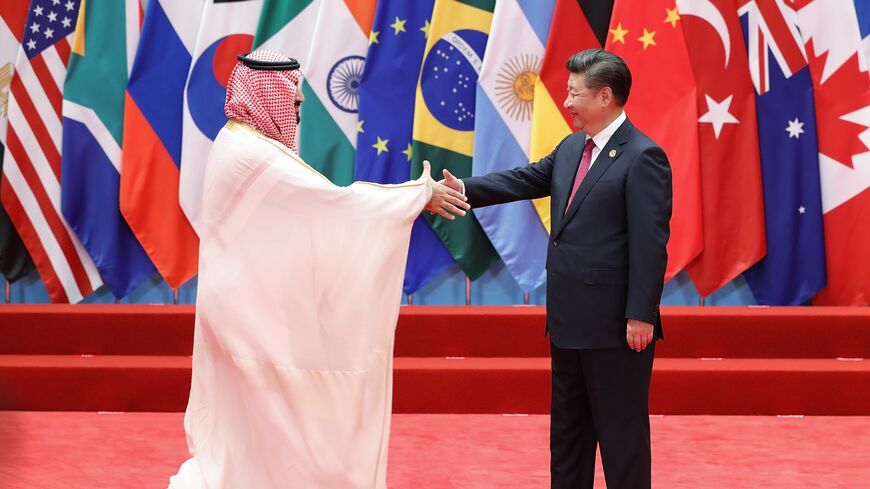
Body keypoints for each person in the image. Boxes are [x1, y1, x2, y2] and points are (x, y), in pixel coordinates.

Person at [167, 50, 469, 489]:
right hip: (247, 315)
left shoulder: (239, 142)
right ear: (264, 96)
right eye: (292, 103)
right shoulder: (251, 153)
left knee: (257, 423)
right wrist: (415, 195)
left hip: (248, 305)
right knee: (275, 419)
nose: (296, 113)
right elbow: (334, 204)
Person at [441, 48, 672, 488]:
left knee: (621, 438)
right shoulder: (571, 148)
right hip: (567, 322)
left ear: (605, 97)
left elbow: (650, 243)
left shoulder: (643, 157)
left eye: (573, 94)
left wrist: (641, 312)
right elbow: (524, 179)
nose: (566, 103)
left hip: (615, 328)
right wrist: (462, 188)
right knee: (567, 436)